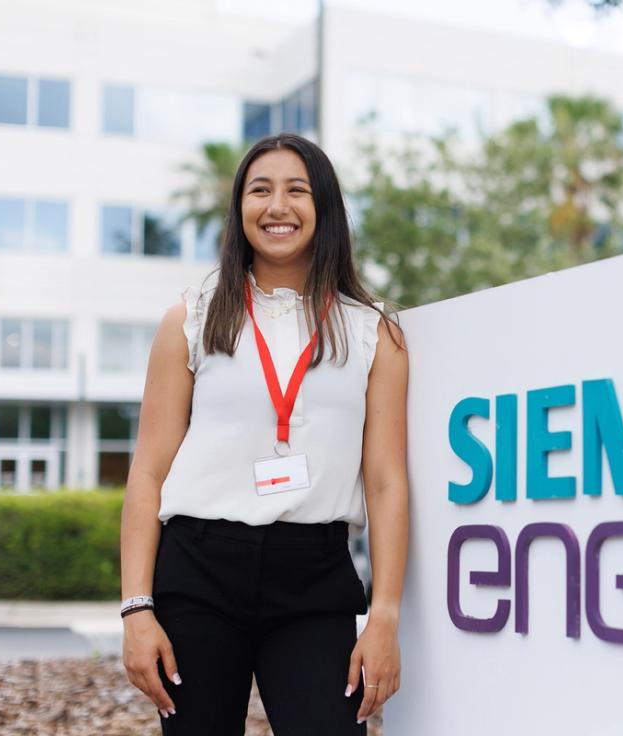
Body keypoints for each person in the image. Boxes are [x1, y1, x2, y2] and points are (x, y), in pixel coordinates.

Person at [118, 132, 409, 734]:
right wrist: (136, 609)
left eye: (296, 190)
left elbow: (386, 482)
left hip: (314, 576)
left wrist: (384, 617)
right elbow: (148, 471)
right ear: (239, 208)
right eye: (260, 190)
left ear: (324, 207)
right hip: (197, 573)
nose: (277, 206)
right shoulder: (192, 317)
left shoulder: (373, 331)